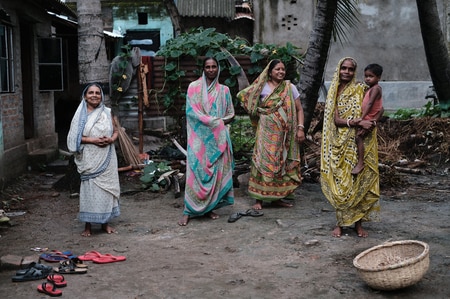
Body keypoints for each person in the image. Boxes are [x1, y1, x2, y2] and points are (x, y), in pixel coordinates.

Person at [321, 57, 381, 238]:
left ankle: (358, 224)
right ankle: (340, 223)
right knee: (341, 184)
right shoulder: (334, 93)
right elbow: (336, 120)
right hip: (340, 143)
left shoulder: (361, 89)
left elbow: (380, 108)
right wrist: (354, 121)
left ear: (355, 72)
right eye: (343, 68)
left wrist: (372, 122)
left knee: (358, 183)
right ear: (339, 70)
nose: (346, 72)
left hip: (359, 141)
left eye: (350, 69)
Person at [237, 59, 305, 210]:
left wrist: (300, 128)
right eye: (277, 69)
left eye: (283, 69)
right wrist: (258, 112)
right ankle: (259, 199)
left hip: (285, 135)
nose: (281, 72)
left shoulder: (289, 87)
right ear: (270, 72)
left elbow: (299, 109)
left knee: (281, 162)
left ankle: (277, 198)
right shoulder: (261, 87)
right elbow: (244, 97)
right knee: (262, 161)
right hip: (265, 132)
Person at [178, 57, 235, 226]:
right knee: (195, 174)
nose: (211, 69)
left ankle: (210, 208)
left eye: (214, 67)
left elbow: (231, 114)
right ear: (203, 69)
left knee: (216, 174)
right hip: (199, 139)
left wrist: (218, 123)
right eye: (207, 67)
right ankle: (188, 210)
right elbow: (191, 112)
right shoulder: (193, 88)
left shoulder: (224, 90)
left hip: (218, 140)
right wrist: (214, 121)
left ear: (218, 69)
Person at [67, 83, 120, 237]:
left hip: (107, 157)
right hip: (89, 158)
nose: (95, 95)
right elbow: (74, 138)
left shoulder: (107, 112)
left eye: (98, 92)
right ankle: (88, 226)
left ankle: (105, 224)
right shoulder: (80, 116)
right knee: (89, 191)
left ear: (101, 96)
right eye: (91, 92)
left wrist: (111, 140)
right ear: (85, 96)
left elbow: (116, 131)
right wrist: (93, 140)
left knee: (106, 191)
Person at [352, 63, 384, 175]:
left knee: (359, 137)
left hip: (369, 118)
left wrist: (361, 118)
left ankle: (361, 163)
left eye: (371, 76)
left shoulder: (376, 89)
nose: (368, 79)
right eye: (366, 76)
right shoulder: (370, 88)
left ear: (378, 78)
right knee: (358, 136)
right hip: (368, 117)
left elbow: (370, 104)